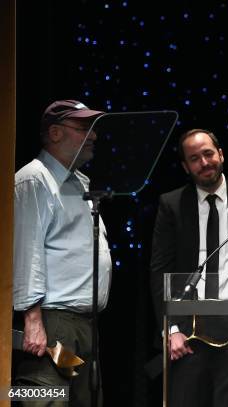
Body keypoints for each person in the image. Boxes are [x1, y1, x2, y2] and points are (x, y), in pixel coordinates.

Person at [150, 129, 228, 407]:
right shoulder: (172, 205)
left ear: (221, 154)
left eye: (208, 154)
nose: (204, 163)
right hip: (189, 327)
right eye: (194, 158)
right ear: (185, 166)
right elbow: (159, 271)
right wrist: (171, 328)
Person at [13, 99, 111, 405]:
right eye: (83, 128)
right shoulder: (34, 178)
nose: (93, 135)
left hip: (82, 324)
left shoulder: (78, 182)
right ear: (55, 133)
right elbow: (26, 251)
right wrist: (32, 320)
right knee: (44, 398)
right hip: (52, 322)